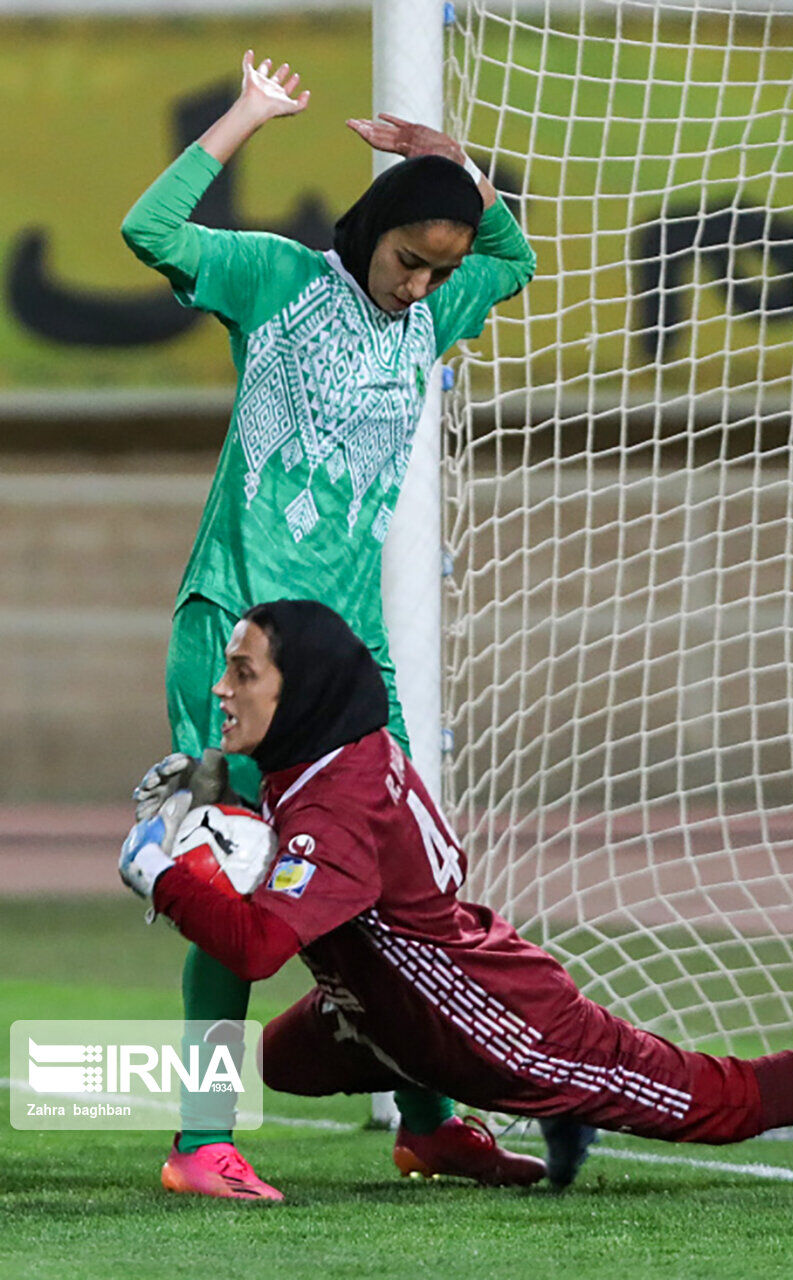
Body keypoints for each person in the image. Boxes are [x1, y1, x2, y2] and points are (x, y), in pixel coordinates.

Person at [121, 48, 564, 1197]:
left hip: (354, 659)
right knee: (232, 884)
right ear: (370, 227)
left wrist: (451, 163)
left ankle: (430, 1119)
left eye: (439, 270)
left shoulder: (444, 295)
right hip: (238, 644)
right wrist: (246, 118)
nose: (423, 286)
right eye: (411, 259)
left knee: (403, 894)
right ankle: (197, 1139)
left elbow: (510, 256)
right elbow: (149, 230)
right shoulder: (275, 280)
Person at [120, 600, 793, 1199]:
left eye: (242, 674)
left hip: (506, 1029)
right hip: (400, 1005)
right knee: (286, 1060)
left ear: (299, 688)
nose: (221, 689)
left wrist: (162, 872)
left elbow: (255, 947)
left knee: (722, 1101)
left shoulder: (336, 809)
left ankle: (547, 1099)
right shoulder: (336, 748)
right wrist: (216, 783)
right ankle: (433, 1130)